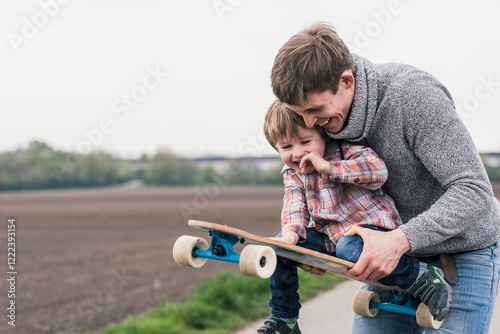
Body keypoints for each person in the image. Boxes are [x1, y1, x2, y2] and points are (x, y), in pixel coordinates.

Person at [269, 22, 500, 333]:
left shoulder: (413, 97)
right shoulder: (324, 116)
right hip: (394, 259)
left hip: (461, 251)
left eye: (315, 109)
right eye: (300, 113)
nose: (310, 122)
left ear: (346, 81)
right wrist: (315, 247)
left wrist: (398, 241)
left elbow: (474, 191)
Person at [258, 100, 452, 334]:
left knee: (348, 248)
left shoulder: (346, 150)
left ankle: (422, 275)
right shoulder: (293, 171)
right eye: (286, 147)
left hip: (371, 232)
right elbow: (294, 204)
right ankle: (284, 318)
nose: (298, 153)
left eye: (306, 142)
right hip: (331, 238)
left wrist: (329, 168)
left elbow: (378, 172)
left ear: (323, 135)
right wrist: (290, 238)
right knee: (281, 246)